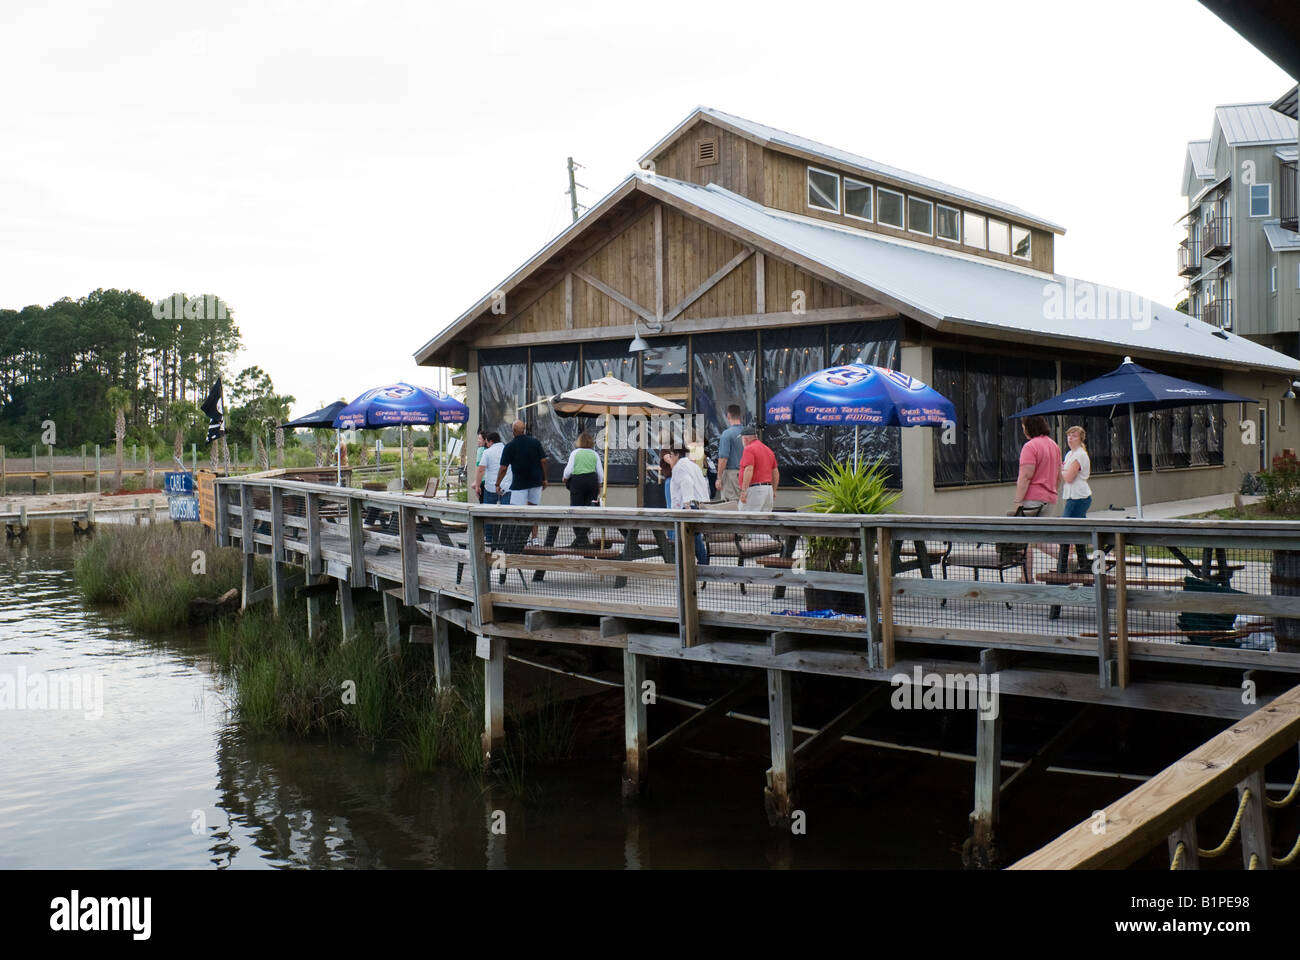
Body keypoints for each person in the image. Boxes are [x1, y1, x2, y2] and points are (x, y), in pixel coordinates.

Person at [663, 447, 709, 565]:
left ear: (677, 455)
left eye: (671, 456)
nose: (671, 459)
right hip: (700, 505)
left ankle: (700, 566)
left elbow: (687, 482)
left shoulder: (679, 467)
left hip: (689, 507)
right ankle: (701, 564)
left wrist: (687, 505)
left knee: (691, 540)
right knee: (695, 538)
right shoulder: (693, 465)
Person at [1058, 425, 1092, 571]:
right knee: (1079, 530)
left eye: (1074, 435)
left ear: (1080, 438)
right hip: (1072, 496)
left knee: (1064, 528)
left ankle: (1062, 567)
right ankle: (1083, 564)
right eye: (1069, 435)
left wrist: (1061, 470)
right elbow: (1064, 473)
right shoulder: (1069, 454)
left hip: (1079, 497)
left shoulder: (1080, 455)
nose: (1070, 438)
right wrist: (1063, 470)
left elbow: (1069, 477)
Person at [1013, 415, 1061, 514]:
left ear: (1029, 428)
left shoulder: (1030, 446)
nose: (1023, 431)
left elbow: (1025, 477)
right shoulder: (1055, 446)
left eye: (1024, 428)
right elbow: (1059, 476)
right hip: (1050, 499)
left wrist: (1018, 501)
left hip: (1032, 499)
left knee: (1027, 528)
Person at [496, 419, 548, 506]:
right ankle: (532, 520)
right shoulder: (535, 443)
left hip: (519, 483)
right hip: (536, 481)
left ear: (513, 431)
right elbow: (543, 461)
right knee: (533, 509)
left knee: (518, 511)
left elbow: (503, 468)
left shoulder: (510, 446)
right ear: (524, 430)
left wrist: (497, 483)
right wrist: (545, 479)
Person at [563, 431, 603, 544]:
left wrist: (565, 478)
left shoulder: (575, 453)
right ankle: (583, 535)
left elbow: (568, 471)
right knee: (589, 510)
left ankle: (580, 538)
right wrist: (599, 485)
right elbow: (601, 474)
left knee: (575, 510)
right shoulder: (595, 454)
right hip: (592, 483)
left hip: (577, 483)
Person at [738, 425, 779, 512]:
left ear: (745, 439)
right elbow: (775, 472)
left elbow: (749, 469)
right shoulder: (768, 450)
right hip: (768, 490)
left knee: (745, 519)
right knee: (764, 522)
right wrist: (774, 490)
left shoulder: (749, 449)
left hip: (755, 490)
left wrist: (744, 491)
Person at [716, 404, 744, 501]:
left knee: (731, 505)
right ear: (740, 416)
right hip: (748, 474)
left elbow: (723, 458)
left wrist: (719, 478)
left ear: (728, 416)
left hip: (732, 475)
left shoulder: (727, 434)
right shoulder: (749, 433)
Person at [472, 430, 489, 502]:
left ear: (485, 440)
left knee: (482, 503)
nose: (478, 441)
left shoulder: (481, 450)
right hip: (488, 481)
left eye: (479, 439)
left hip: (482, 481)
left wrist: (476, 482)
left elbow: (478, 467)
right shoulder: (489, 450)